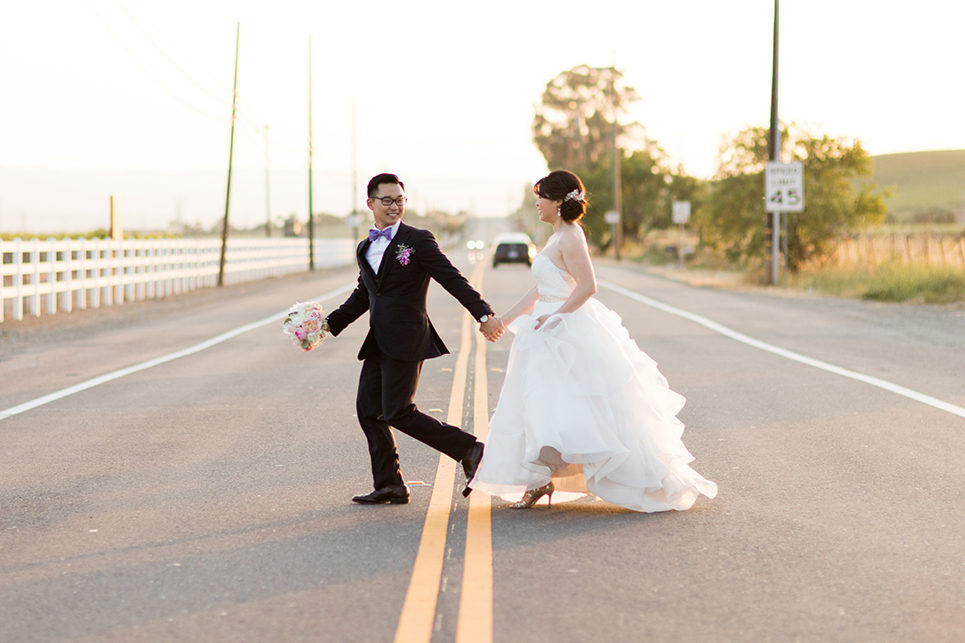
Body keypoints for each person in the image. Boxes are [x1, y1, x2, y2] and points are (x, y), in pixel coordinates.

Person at [469, 170, 717, 512]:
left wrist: (557, 317)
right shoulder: (556, 237)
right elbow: (541, 288)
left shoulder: (570, 236)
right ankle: (540, 481)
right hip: (544, 333)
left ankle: (637, 477)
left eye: (541, 197)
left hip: (565, 331)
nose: (537, 204)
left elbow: (588, 285)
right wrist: (506, 319)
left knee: (585, 409)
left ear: (558, 202)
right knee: (540, 407)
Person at [324, 173, 504, 504]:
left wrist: (483, 314)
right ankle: (389, 484)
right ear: (370, 204)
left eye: (400, 200)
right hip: (378, 341)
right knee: (368, 411)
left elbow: (452, 278)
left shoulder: (417, 240)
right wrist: (327, 325)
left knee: (397, 411)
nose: (395, 207)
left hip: (408, 338)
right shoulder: (365, 247)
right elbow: (364, 294)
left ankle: (471, 449)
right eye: (387, 200)